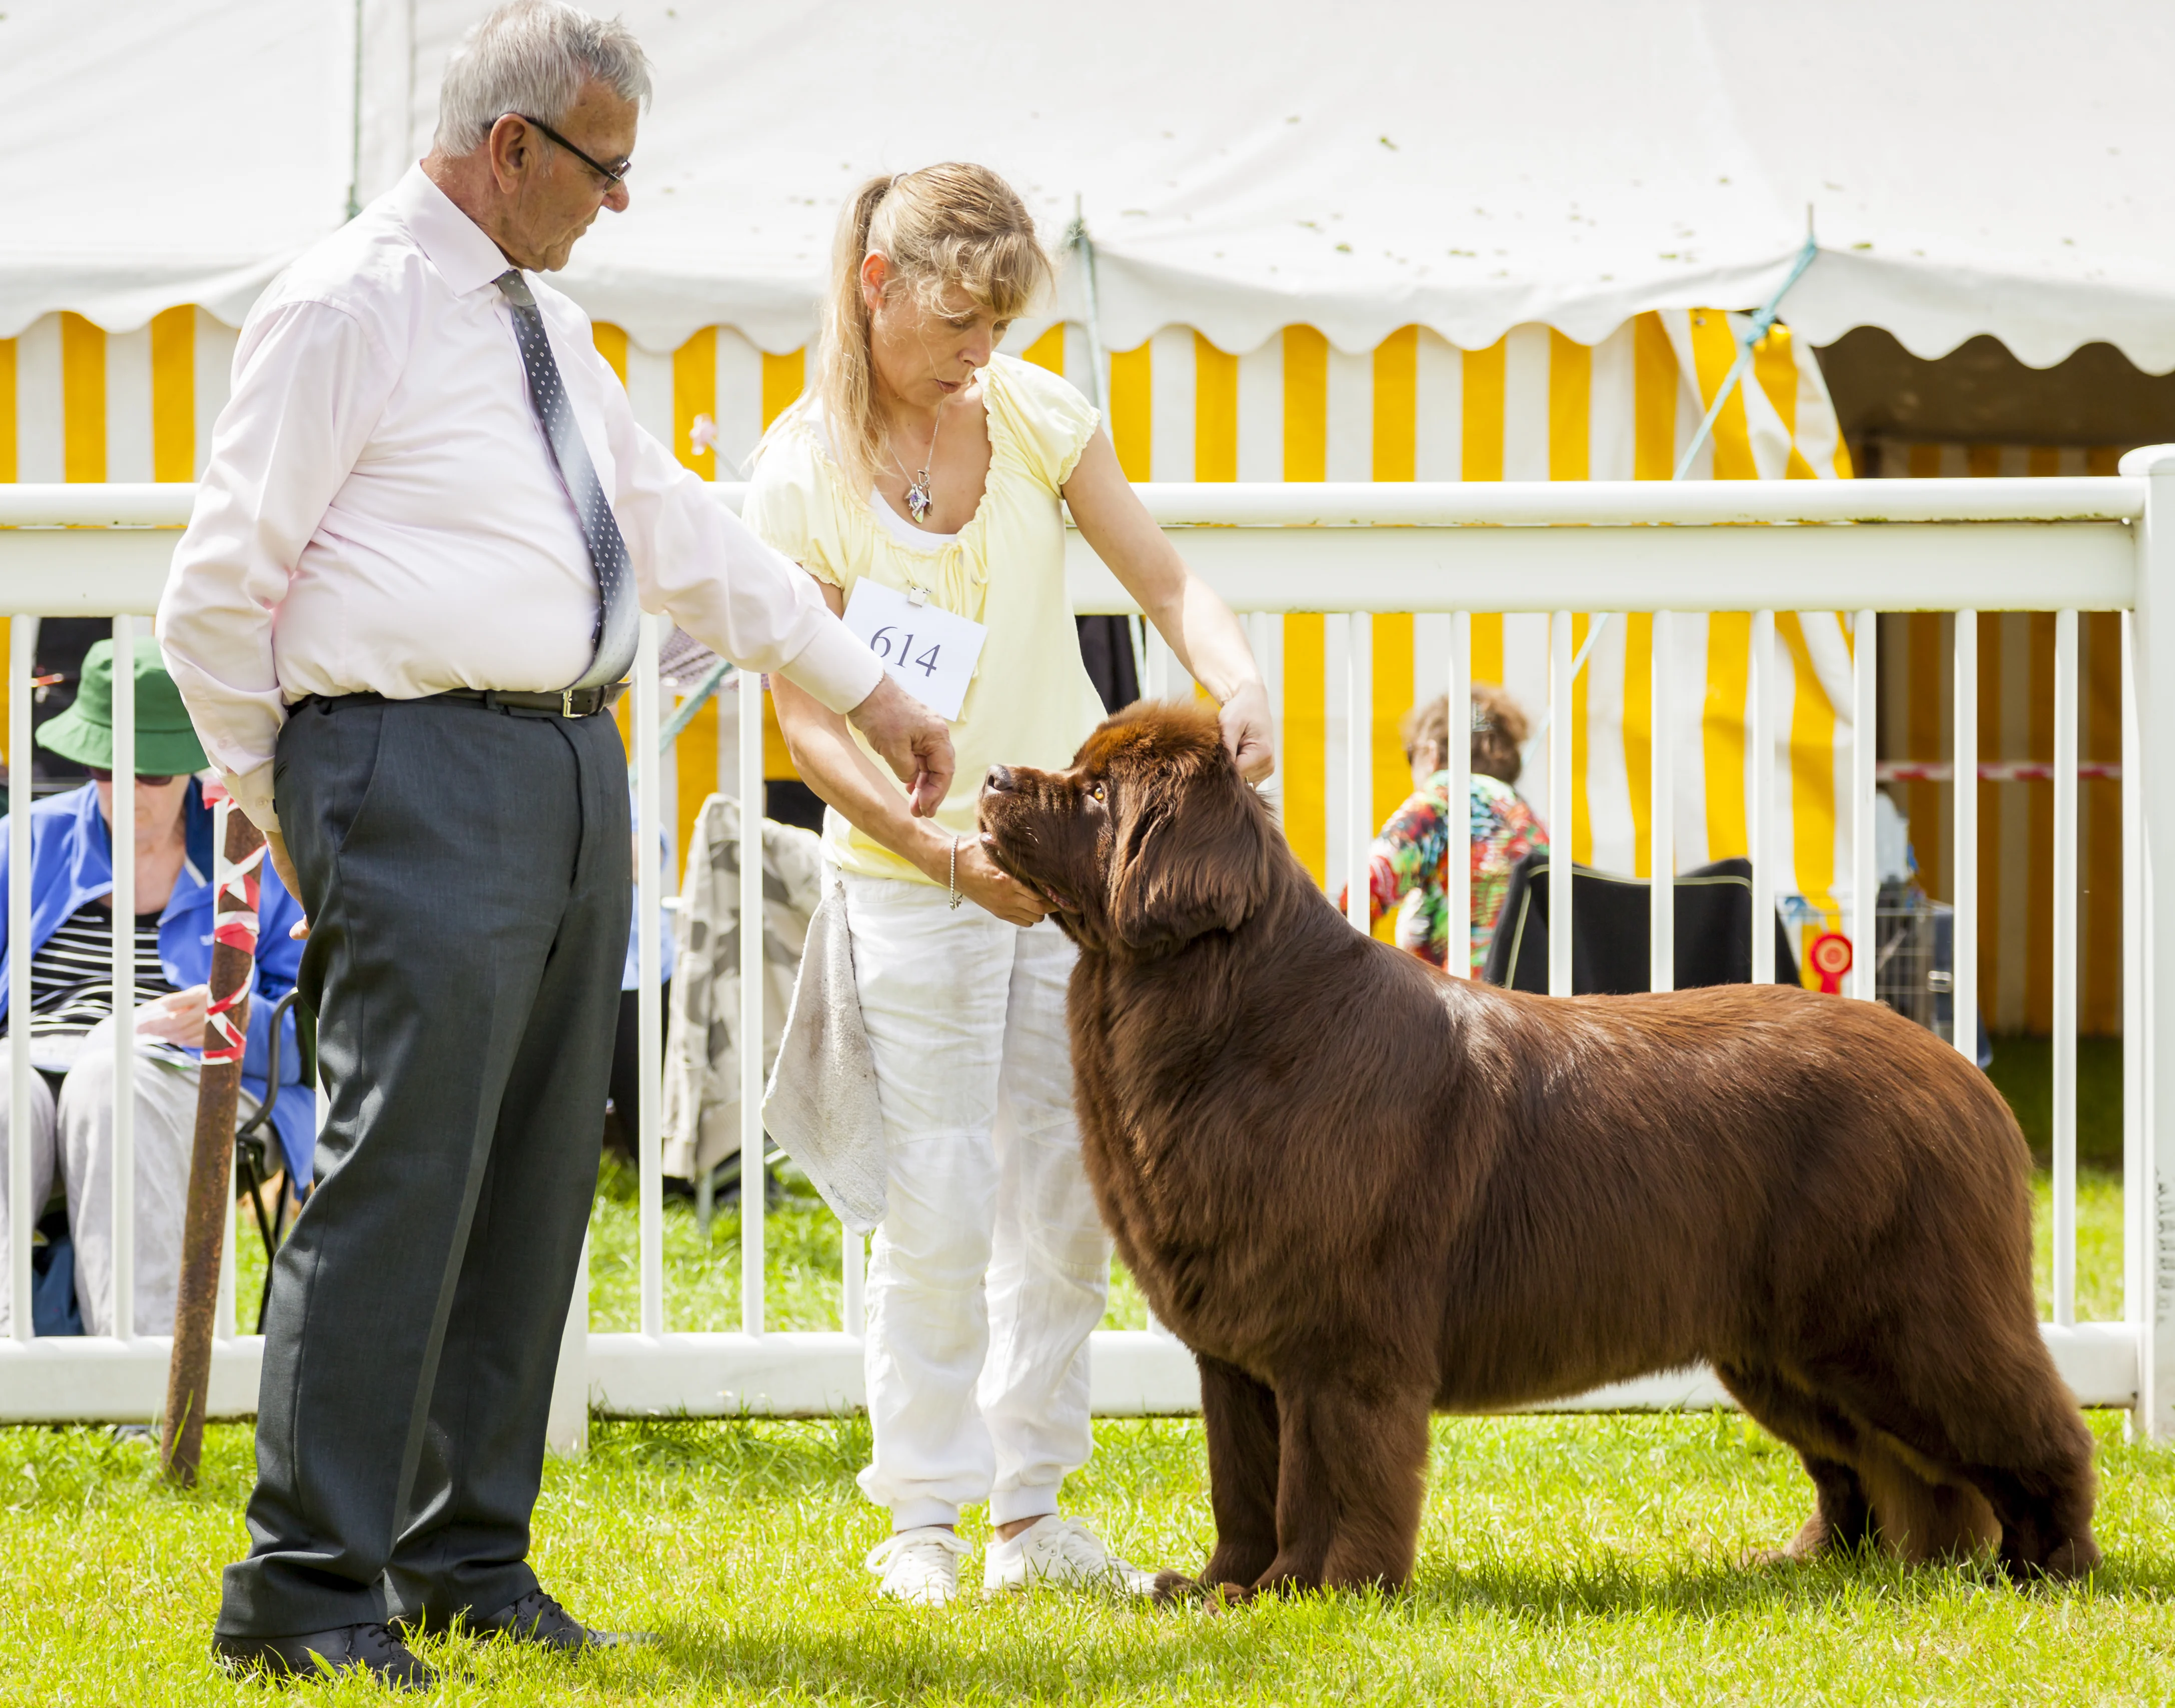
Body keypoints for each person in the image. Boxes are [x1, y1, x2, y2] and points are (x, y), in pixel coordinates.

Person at [157, 3, 952, 1687]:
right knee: (394, 1179)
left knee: (532, 1182)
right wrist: (274, 799)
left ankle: (464, 1552)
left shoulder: (551, 329)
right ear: (508, 147)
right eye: (603, 169)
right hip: (409, 762)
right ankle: (303, 1587)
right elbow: (216, 593)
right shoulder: (343, 305)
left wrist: (866, 683)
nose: (618, 204)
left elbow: (670, 529)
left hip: (571, 769)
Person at [752, 162, 1275, 1606]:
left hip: (1064, 879)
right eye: (956, 318)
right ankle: (923, 1508)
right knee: (932, 1198)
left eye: (999, 318)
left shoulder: (1041, 416)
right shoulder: (797, 471)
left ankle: (1029, 1509)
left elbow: (1168, 582)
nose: (981, 347)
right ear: (874, 285)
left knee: (1060, 1193)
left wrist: (1231, 677)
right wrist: (932, 851)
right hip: (910, 878)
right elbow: (800, 718)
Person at [0, 638, 308, 1336]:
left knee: (111, 1079)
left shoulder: (249, 852)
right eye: (107, 767)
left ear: (189, 768)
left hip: (179, 1078)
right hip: (32, 1058)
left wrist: (235, 1016)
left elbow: (320, 1025)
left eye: (151, 773)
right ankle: (8, 1359)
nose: (128, 790)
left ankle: (137, 1375)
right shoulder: (27, 840)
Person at [1351, 683, 1549, 972]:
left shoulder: (1446, 795)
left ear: (1430, 753)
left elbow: (1364, 890)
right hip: (1529, 1006)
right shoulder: (1528, 821)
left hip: (1460, 1007)